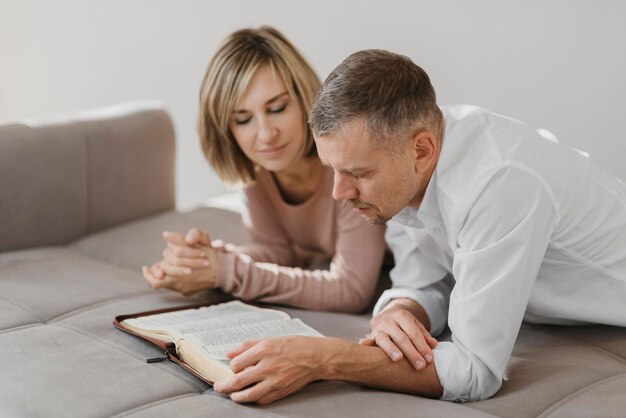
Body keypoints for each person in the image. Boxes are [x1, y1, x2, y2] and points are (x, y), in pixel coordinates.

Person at [212, 49, 626, 405]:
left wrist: (321, 358)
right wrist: (398, 312)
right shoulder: (404, 173)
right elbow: (428, 280)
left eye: (357, 172)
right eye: (332, 170)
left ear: (422, 150)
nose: (338, 193)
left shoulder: (500, 184)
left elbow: (474, 370)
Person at [142, 27, 387, 313]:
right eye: (243, 119)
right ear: (227, 129)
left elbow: (350, 289)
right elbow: (277, 252)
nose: (266, 134)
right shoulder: (260, 172)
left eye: (277, 108)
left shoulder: (346, 165)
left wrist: (226, 272)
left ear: (305, 98)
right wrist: (208, 260)